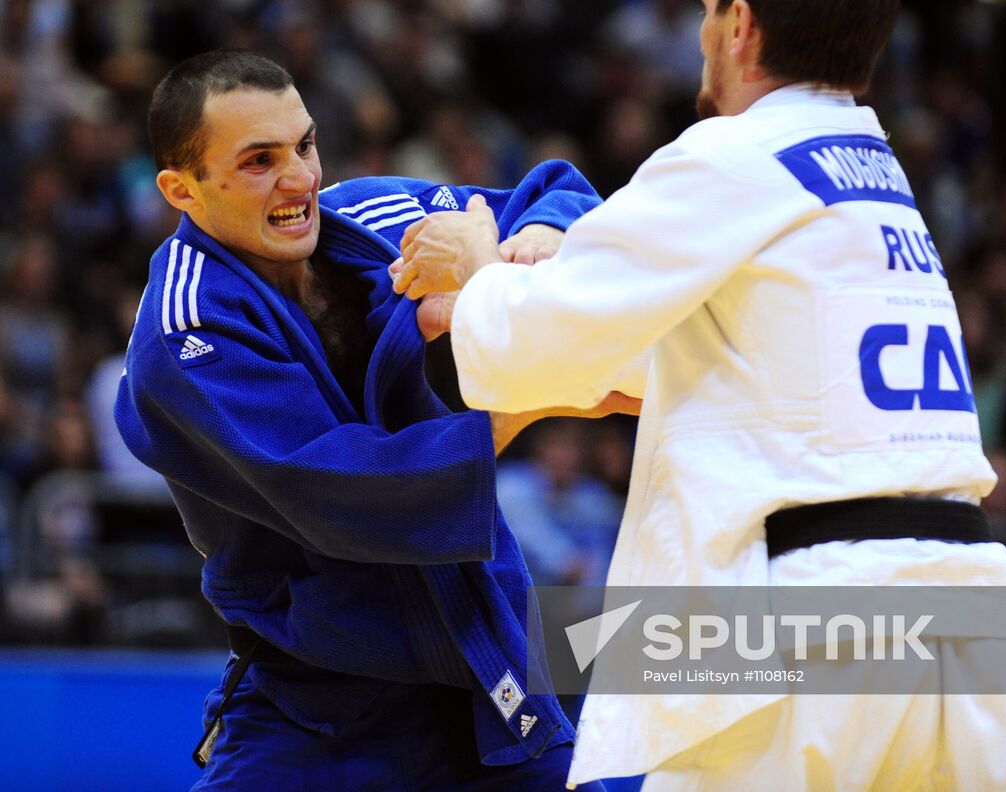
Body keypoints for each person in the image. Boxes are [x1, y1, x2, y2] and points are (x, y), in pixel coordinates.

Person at [393, 0, 1006, 791]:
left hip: (814, 626)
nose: (704, 29)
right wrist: (557, 274)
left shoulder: (733, 154)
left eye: (709, 7)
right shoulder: (874, 179)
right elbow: (706, 359)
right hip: (982, 629)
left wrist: (483, 269)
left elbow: (532, 349)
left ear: (741, 24)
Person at [114, 49, 635, 789]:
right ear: (182, 188)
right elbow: (339, 487)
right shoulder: (184, 329)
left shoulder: (376, 214)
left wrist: (542, 243)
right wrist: (533, 405)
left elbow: (551, 189)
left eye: (305, 145)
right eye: (260, 160)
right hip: (319, 703)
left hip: (487, 661)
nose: (300, 179)